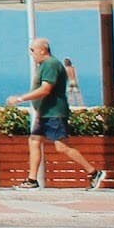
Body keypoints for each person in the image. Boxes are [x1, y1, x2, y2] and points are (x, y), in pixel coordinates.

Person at [20, 37, 77, 187]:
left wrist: (21, 98)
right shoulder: (44, 65)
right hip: (45, 112)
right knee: (34, 141)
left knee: (62, 147)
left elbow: (45, 89)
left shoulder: (51, 64)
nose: (31, 54)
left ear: (42, 50)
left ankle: (93, 172)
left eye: (32, 50)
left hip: (54, 112)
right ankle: (32, 179)